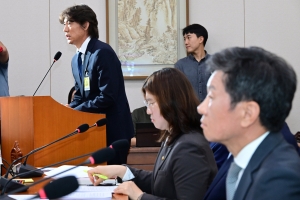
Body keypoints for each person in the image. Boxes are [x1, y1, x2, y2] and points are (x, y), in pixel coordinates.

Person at [88, 68, 218, 200]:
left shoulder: (190, 147)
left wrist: (139, 196)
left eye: (151, 103)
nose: (148, 111)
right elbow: (161, 183)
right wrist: (123, 171)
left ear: (170, 102)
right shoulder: (173, 137)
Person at [198, 46, 300, 200]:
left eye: (211, 97)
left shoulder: (278, 179)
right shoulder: (239, 155)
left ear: (248, 113)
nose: (200, 108)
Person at [59, 4, 134, 164]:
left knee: (113, 182)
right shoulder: (76, 59)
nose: (65, 29)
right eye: (64, 24)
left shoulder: (102, 53)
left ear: (85, 25)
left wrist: (75, 112)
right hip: (94, 132)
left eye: (69, 23)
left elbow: (107, 96)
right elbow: (80, 94)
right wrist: (68, 109)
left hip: (113, 131)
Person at [175, 23, 211, 102]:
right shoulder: (180, 65)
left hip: (212, 111)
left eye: (189, 38)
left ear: (200, 39)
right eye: (184, 39)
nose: (186, 42)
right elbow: (177, 93)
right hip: (189, 112)